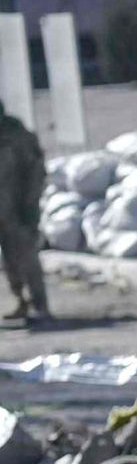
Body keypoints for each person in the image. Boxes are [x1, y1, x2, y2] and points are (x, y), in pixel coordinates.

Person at [0, 103, 43, 322]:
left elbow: (35, 171)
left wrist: (30, 204)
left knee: (25, 255)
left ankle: (39, 304)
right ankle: (20, 300)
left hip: (17, 207)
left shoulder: (16, 134)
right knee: (8, 260)